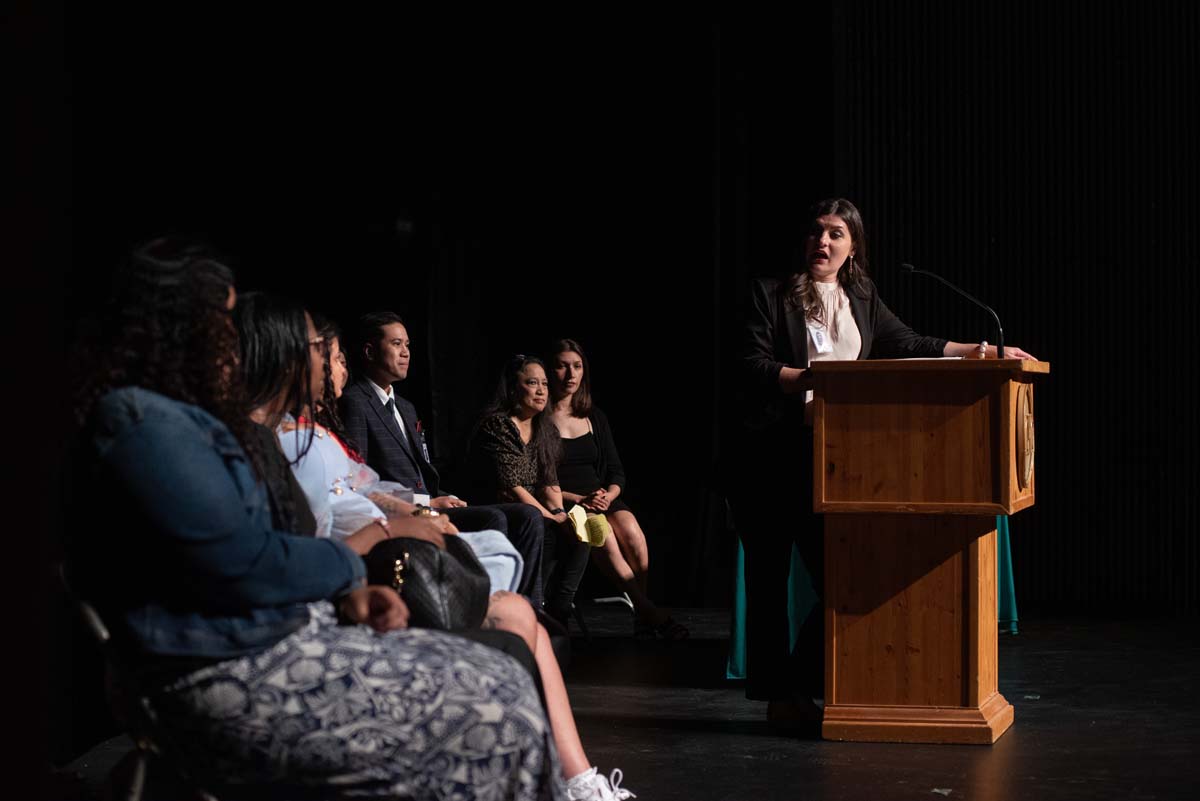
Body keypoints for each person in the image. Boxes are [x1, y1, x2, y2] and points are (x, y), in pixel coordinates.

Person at [69, 239, 566, 799]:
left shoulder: (182, 422)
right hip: (222, 675)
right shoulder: (143, 424)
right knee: (501, 707)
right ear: (177, 326)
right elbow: (250, 563)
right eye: (224, 320)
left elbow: (255, 553)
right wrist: (363, 553)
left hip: (266, 643)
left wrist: (344, 592)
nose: (235, 338)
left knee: (503, 676)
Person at [249, 306, 634, 801]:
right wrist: (408, 518)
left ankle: (576, 779)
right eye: (327, 354)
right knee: (513, 536)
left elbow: (372, 484)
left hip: (397, 518)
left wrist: (427, 507)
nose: (332, 363)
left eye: (335, 355)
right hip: (368, 554)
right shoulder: (300, 435)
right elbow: (335, 511)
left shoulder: (380, 417)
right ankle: (559, 779)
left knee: (532, 567)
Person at [733, 198, 1035, 726]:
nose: (821, 243)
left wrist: (983, 352)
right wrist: (813, 378)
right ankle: (779, 700)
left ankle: (797, 684)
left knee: (844, 579)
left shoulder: (862, 295)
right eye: (815, 233)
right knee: (767, 583)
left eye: (834, 235)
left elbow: (909, 342)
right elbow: (751, 366)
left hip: (833, 458)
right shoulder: (768, 293)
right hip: (770, 458)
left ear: (852, 247)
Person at [340, 311, 547, 609]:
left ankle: (529, 604)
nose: (405, 352)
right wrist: (426, 503)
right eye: (396, 344)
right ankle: (486, 606)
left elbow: (423, 467)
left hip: (432, 501)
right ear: (370, 351)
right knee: (493, 518)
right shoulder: (356, 402)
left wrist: (440, 496)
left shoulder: (406, 408)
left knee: (529, 517)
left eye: (408, 345)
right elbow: (358, 479)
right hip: (405, 510)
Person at [546, 338, 687, 640]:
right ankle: (650, 612)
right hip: (568, 501)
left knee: (633, 533)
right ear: (549, 370)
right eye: (562, 366)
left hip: (601, 497)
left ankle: (642, 614)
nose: (570, 374)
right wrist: (580, 500)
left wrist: (608, 495)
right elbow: (540, 481)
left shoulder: (594, 416)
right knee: (605, 538)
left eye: (577, 366)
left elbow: (616, 472)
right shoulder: (541, 420)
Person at [465, 355, 592, 632]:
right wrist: (551, 519)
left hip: (533, 505)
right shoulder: (498, 426)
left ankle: (559, 610)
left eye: (545, 384)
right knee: (545, 529)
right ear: (513, 389)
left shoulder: (544, 428)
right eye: (532, 383)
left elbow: (549, 481)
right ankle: (531, 606)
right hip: (500, 505)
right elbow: (513, 487)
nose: (541, 390)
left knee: (580, 534)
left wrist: (560, 513)